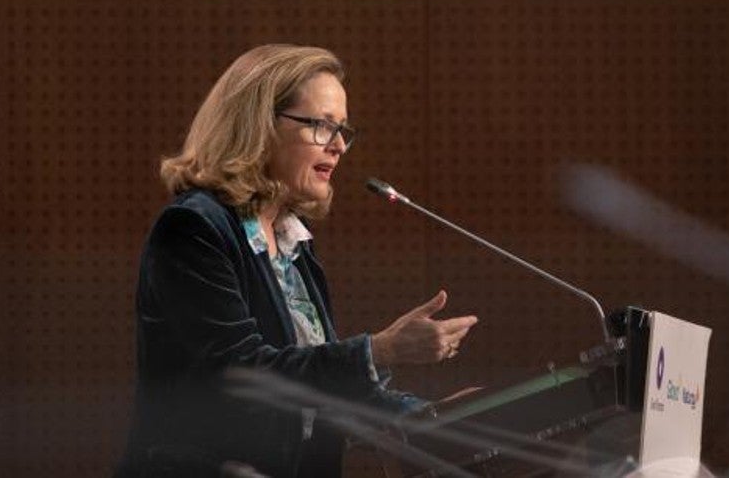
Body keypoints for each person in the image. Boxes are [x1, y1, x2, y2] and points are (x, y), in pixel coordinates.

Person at [118, 44, 478, 477]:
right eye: (323, 126)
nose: (340, 146)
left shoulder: (294, 242)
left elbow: (318, 383)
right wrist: (381, 350)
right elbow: (245, 374)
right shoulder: (194, 229)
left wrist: (433, 418)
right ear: (259, 126)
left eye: (344, 130)